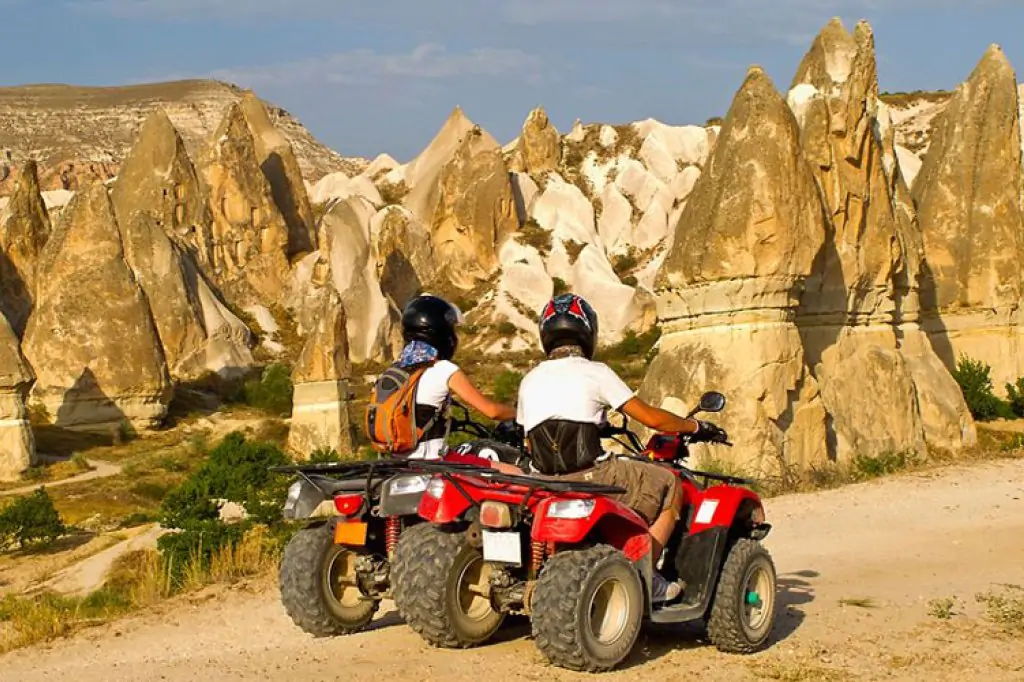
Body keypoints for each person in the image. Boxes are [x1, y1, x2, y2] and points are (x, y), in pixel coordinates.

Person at [516, 293, 726, 603]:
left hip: (547, 480)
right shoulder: (595, 371)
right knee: (670, 484)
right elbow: (653, 419)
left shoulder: (529, 379)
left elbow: (530, 438)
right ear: (588, 332)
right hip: (594, 474)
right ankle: (648, 574)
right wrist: (696, 426)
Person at [396, 294, 518, 463]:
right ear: (440, 333)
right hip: (432, 462)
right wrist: (522, 414)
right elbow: (492, 411)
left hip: (397, 463)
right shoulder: (443, 369)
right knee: (515, 472)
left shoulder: (395, 371)